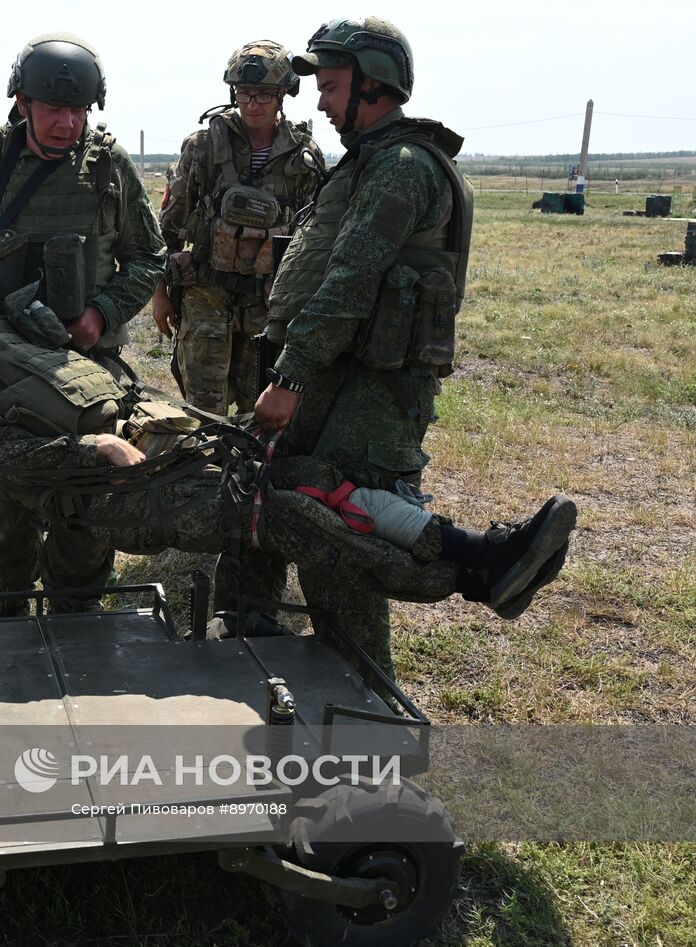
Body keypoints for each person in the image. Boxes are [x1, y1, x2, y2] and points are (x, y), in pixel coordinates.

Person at [0, 284, 573, 630]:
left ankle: (481, 551)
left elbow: (85, 368)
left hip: (162, 434)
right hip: (111, 484)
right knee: (286, 516)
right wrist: (90, 447)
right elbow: (2, 464)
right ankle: (465, 581)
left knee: (310, 479)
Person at [236, 17, 477, 677]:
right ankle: (259, 669)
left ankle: (370, 736)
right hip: (330, 377)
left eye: (333, 86)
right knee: (263, 513)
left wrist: (289, 377)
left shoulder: (401, 166)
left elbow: (350, 281)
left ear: (375, 86)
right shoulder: (368, 161)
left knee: (341, 558)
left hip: (368, 395)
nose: (319, 100)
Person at [0, 33, 166, 616]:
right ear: (21, 102)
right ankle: (11, 598)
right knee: (7, 486)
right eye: (54, 109)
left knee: (89, 482)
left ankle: (77, 603)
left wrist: (103, 314)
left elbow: (150, 255)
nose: (68, 123)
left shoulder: (108, 166)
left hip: (87, 360)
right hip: (3, 355)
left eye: (79, 111)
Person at [152, 41, 325, 415]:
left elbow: (315, 240)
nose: (252, 104)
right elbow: (168, 227)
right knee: (203, 411)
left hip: (268, 303)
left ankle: (249, 475)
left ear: (282, 95)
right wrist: (160, 293)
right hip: (205, 295)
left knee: (257, 411)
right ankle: (204, 475)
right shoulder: (203, 147)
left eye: (263, 94)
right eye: (244, 93)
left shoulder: (303, 156)